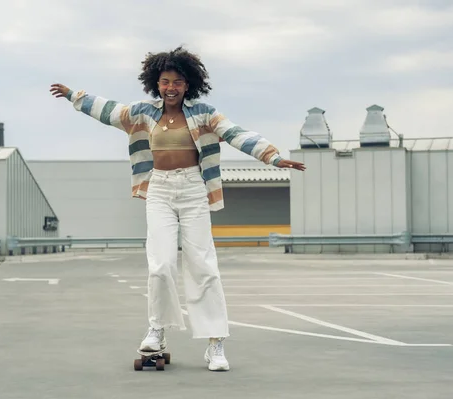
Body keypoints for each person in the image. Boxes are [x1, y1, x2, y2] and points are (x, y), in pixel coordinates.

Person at [50, 46, 306, 371]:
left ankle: (215, 344)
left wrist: (272, 156)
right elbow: (109, 111)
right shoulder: (143, 113)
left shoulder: (204, 114)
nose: (171, 88)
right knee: (160, 264)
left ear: (188, 85)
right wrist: (74, 95)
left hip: (193, 189)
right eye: (165, 81)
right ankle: (157, 329)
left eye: (177, 82)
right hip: (158, 188)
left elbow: (236, 133)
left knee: (203, 265)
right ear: (156, 84)